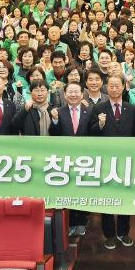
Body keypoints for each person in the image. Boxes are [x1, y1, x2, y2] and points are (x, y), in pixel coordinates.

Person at [88, 75, 135, 250]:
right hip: (106, 160)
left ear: (123, 87)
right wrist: (100, 124)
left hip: (127, 160)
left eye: (117, 86)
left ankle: (123, 232)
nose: (114, 89)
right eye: (111, 86)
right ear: (106, 88)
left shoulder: (131, 109)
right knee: (107, 197)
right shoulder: (98, 108)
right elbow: (91, 133)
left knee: (125, 197)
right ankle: (109, 234)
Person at [49, 82, 92, 237]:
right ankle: (71, 222)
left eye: (76, 92)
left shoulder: (90, 111)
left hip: (85, 159)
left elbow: (94, 133)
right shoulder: (58, 112)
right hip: (65, 158)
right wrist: (54, 120)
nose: (73, 95)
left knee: (82, 190)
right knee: (68, 191)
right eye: (70, 92)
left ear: (82, 94)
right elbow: (53, 134)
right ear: (65, 94)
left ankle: (81, 222)